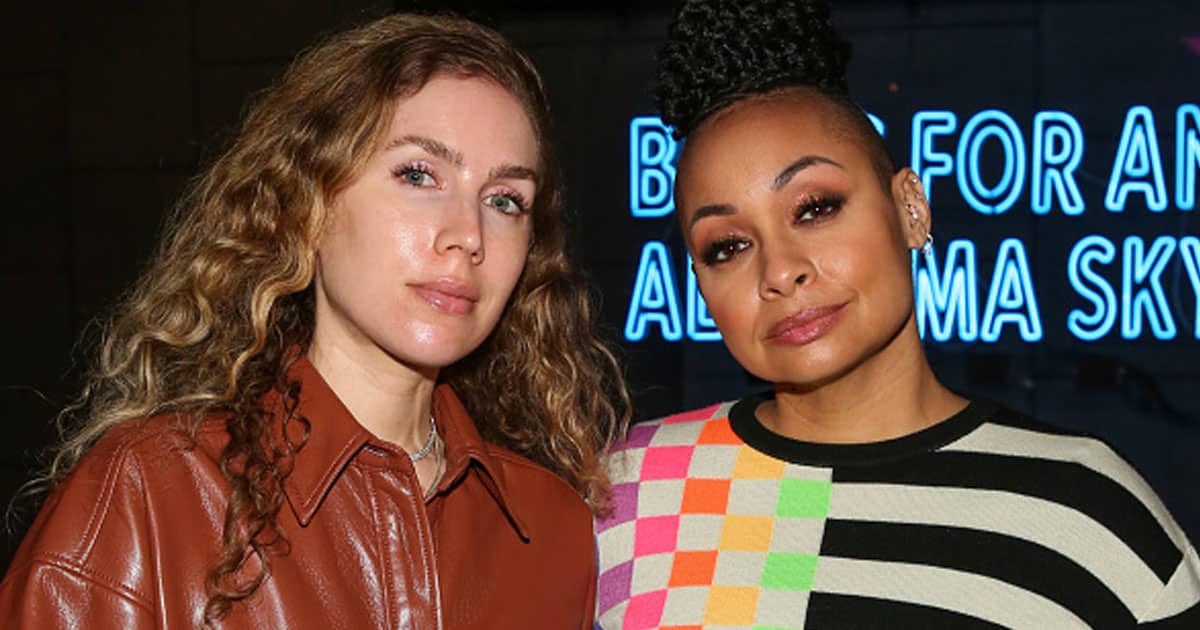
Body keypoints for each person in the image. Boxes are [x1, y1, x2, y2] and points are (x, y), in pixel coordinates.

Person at [0, 12, 628, 629]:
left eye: (505, 200)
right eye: (418, 174)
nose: (468, 236)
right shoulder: (150, 493)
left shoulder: (553, 531)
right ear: (311, 204)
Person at [595, 0, 1200, 628]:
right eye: (728, 246)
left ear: (910, 207)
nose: (779, 272)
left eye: (815, 208)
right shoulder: (625, 493)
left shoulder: (1087, 510)